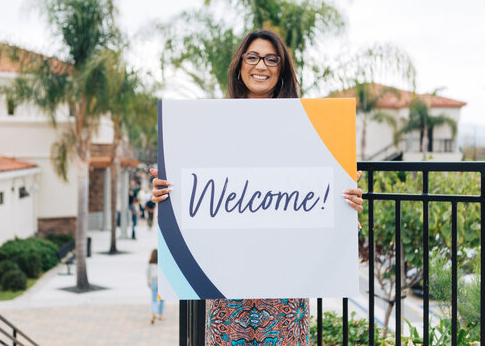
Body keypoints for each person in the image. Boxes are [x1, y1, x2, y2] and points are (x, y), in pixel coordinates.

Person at [150, 29, 363, 345]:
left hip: (287, 283)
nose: (260, 65)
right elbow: (198, 188)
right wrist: (167, 193)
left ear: (281, 70)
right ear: (240, 65)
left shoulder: (303, 128)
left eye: (270, 59)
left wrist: (346, 205)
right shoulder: (212, 125)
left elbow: (315, 193)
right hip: (227, 281)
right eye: (252, 57)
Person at [147, 249, 165, 324]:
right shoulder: (162, 264)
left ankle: (154, 313)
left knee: (154, 299)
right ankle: (160, 315)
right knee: (161, 299)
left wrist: (148, 281)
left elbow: (148, 274)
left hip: (154, 282)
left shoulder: (150, 265)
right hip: (160, 283)